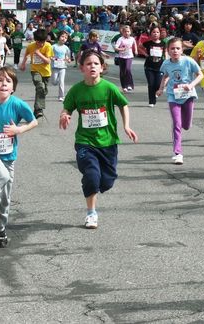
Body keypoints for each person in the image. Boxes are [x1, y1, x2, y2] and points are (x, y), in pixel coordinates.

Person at [59, 49, 138, 229]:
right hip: (85, 142)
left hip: (108, 142)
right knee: (92, 176)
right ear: (82, 68)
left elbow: (123, 105)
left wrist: (126, 126)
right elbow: (67, 109)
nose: (92, 66)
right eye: (88, 64)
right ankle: (91, 213)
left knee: (107, 181)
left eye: (96, 63)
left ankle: (94, 184)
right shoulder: (76, 90)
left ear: (102, 67)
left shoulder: (109, 88)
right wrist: (64, 116)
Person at [0, 66, 38, 248]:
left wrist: (19, 129)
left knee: (5, 197)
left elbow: (33, 121)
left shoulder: (17, 104)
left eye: (8, 81)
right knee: (1, 176)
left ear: (13, 87)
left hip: (8, 154)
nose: (4, 84)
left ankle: (0, 230)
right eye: (0, 80)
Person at [156, 38, 203, 165]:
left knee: (186, 125)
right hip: (173, 96)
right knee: (177, 124)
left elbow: (200, 74)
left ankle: (185, 123)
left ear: (182, 50)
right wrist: (161, 89)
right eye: (172, 48)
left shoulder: (188, 61)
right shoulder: (166, 63)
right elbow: (165, 76)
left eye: (178, 48)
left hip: (188, 95)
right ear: (168, 51)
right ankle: (178, 153)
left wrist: (191, 85)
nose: (175, 51)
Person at [20, 28, 54, 119]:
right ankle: (39, 110)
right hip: (35, 71)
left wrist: (39, 54)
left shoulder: (48, 46)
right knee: (40, 86)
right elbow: (26, 55)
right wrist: (23, 64)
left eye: (43, 42)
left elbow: (48, 61)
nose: (41, 44)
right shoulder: (31, 46)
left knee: (43, 91)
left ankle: (37, 110)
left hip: (46, 73)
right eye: (39, 42)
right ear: (35, 40)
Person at [143, 26, 166, 107]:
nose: (155, 34)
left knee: (158, 84)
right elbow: (140, 47)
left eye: (157, 32)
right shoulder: (148, 43)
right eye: (154, 32)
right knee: (151, 84)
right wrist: (145, 54)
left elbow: (166, 53)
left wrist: (166, 61)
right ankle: (152, 101)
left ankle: (157, 91)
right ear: (151, 34)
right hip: (149, 67)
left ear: (160, 34)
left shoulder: (163, 43)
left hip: (160, 67)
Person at [114, 25, 137, 93]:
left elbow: (134, 44)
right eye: (125, 32)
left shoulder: (132, 38)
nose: (126, 33)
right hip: (121, 57)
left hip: (129, 56)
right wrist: (121, 49)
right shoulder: (120, 39)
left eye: (128, 31)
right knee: (122, 72)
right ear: (122, 32)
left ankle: (130, 84)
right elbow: (116, 47)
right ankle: (124, 86)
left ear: (130, 32)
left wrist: (136, 50)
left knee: (128, 69)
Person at [52, 31, 71, 101]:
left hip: (63, 67)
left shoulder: (66, 48)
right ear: (59, 37)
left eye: (66, 38)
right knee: (54, 82)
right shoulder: (53, 46)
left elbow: (68, 56)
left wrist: (68, 59)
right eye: (62, 36)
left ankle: (61, 96)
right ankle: (56, 80)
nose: (64, 39)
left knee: (61, 82)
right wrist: (52, 58)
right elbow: (49, 54)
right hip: (55, 66)